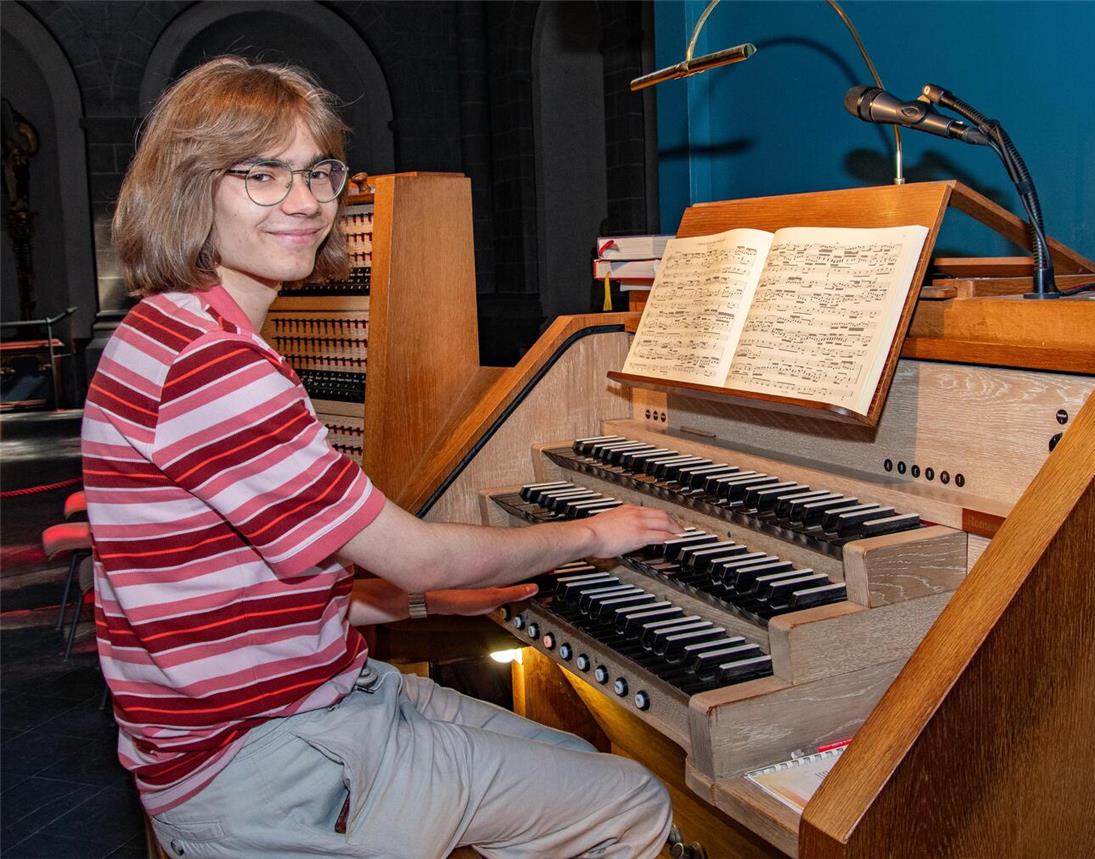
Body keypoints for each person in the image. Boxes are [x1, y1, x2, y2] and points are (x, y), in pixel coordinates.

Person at [82, 56, 679, 858]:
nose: (305, 203)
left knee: (573, 757)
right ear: (190, 188)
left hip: (285, 710)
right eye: (262, 175)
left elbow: (218, 593)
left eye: (317, 172)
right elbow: (422, 553)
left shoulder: (164, 328)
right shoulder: (214, 364)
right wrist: (595, 533)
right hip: (264, 757)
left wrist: (410, 605)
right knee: (632, 801)